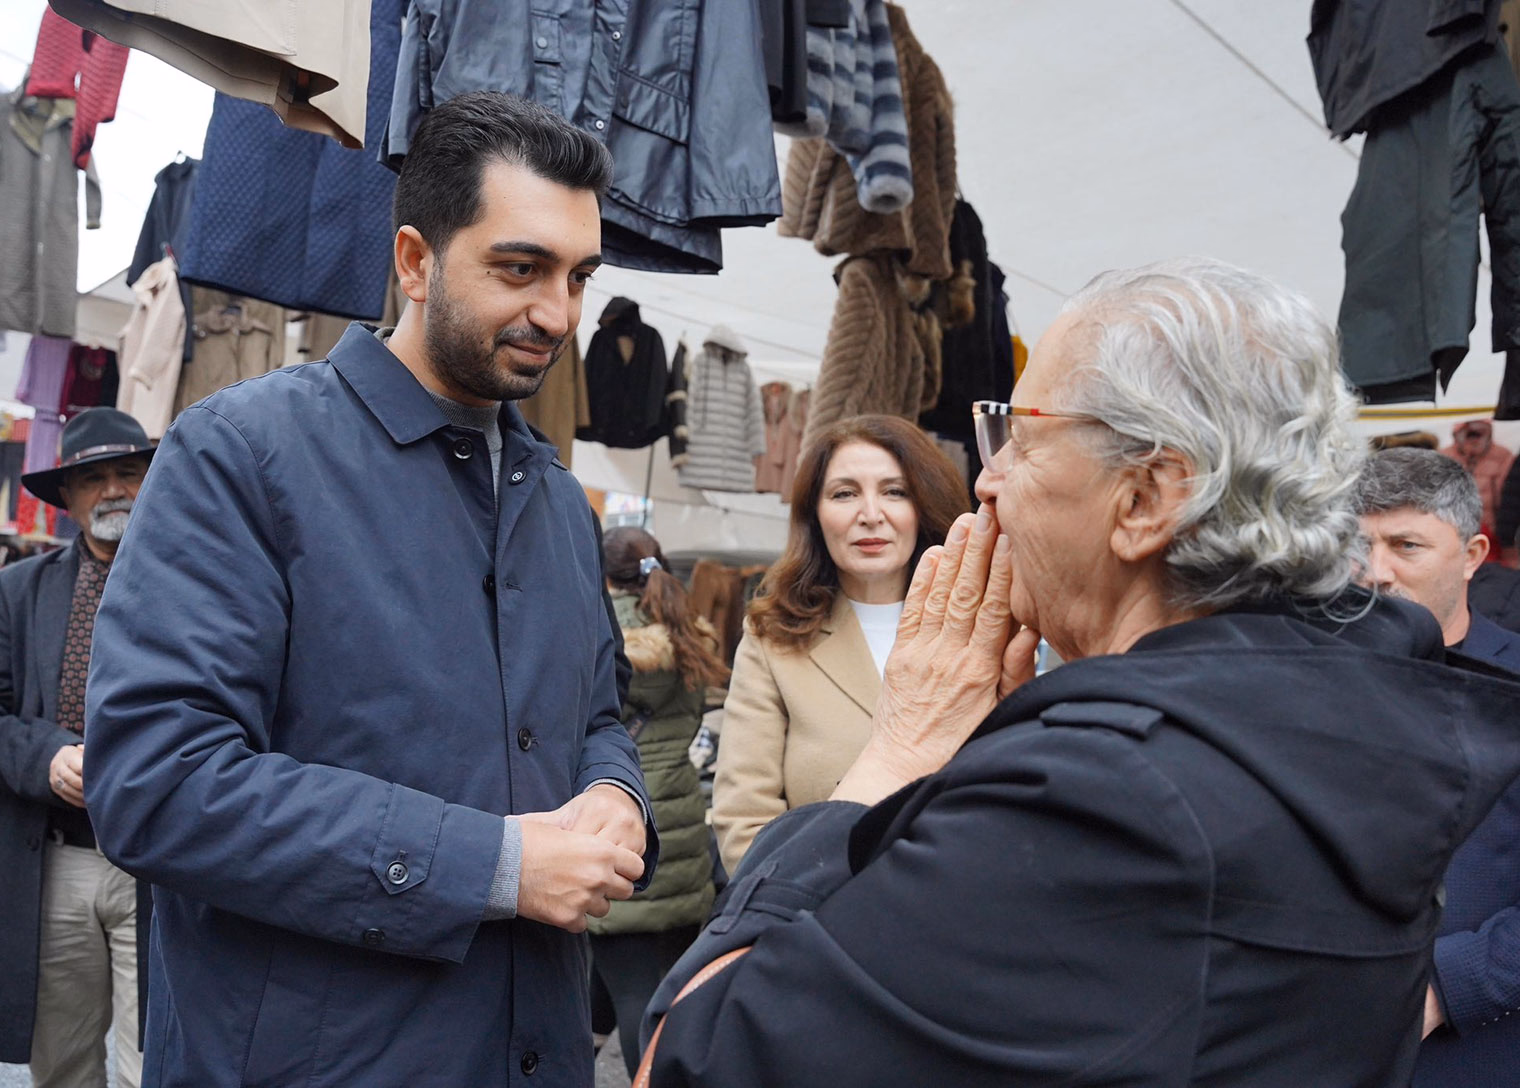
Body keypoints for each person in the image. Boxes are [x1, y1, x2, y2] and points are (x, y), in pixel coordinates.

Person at [640, 258, 1520, 1087]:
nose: (986, 484)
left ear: (1144, 499)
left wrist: (900, 754)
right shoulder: (1361, 704)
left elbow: (691, 1057)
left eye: (1017, 438)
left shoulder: (1106, 795)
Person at [83, 92, 656, 1088]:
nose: (557, 313)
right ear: (413, 260)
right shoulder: (243, 455)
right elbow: (155, 782)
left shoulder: (559, 503)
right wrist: (493, 862)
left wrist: (613, 789)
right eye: (519, 268)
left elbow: (597, 711)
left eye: (577, 276)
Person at [711, 415, 968, 872]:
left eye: (895, 491)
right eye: (844, 493)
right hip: (817, 921)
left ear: (924, 504)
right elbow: (743, 822)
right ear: (815, 514)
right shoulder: (774, 636)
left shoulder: (975, 632)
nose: (870, 513)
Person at [1355, 447, 1520, 1087]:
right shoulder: (1303, 682)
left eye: (1406, 546)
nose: (1376, 572)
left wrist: (1448, 988)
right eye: (1356, 545)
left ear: (1474, 556)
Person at [0, 409, 152, 1088]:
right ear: (66, 499)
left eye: (127, 472)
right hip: (58, 859)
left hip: (163, 859)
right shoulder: (19, 591)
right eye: (93, 479)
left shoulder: (199, 581)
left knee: (156, 1060)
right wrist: (48, 756)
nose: (113, 490)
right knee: (60, 1061)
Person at [590, 526, 728, 1079]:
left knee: (637, 1002)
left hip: (622, 825)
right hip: (682, 832)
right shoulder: (690, 635)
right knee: (618, 987)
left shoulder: (599, 635)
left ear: (603, 575)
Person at [1440, 419, 1514, 547]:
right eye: (1469, 432)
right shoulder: (1444, 456)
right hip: (1454, 532)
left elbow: (1510, 501)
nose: (1474, 437)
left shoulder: (1503, 456)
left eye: (1479, 432)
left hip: (1494, 534)